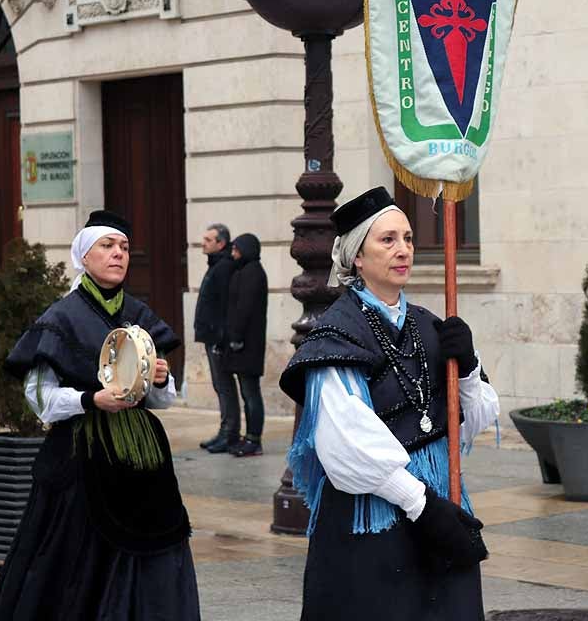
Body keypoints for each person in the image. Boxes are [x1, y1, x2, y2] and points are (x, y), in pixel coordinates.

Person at [279, 187, 499, 621]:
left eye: (409, 238)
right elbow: (346, 445)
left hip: (440, 508)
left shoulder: (429, 325)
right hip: (372, 520)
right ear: (357, 257)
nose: (404, 250)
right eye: (388, 240)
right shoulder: (337, 334)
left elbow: (473, 421)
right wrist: (421, 504)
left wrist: (468, 368)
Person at [0, 210, 198, 620]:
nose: (118, 255)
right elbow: (39, 397)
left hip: (143, 461)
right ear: (84, 256)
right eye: (108, 246)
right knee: (75, 556)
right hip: (81, 456)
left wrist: (162, 380)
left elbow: (163, 401)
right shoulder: (61, 317)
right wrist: (89, 400)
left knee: (156, 542)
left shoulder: (139, 315)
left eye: (125, 248)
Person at [194, 223, 238, 453]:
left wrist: (220, 337)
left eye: (208, 240)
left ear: (220, 243)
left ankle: (229, 433)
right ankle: (225, 431)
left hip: (218, 339)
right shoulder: (216, 265)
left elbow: (224, 305)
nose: (203, 243)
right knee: (220, 385)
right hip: (212, 336)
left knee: (224, 385)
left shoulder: (222, 267)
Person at [225, 233, 268, 457]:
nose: (233, 254)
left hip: (247, 345)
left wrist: (236, 337)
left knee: (251, 392)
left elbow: (245, 308)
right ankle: (249, 437)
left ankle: (254, 439)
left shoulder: (252, 273)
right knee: (247, 392)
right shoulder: (244, 272)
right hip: (242, 344)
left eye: (236, 250)